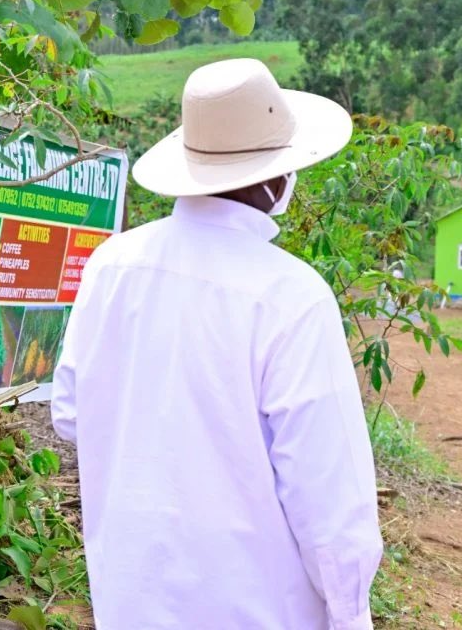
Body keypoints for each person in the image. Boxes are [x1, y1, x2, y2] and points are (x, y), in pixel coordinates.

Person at [51, 59, 383, 629]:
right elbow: (329, 497)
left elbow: (72, 414)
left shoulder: (111, 266)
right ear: (280, 179)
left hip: (131, 601)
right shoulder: (291, 296)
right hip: (257, 610)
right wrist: (351, 616)